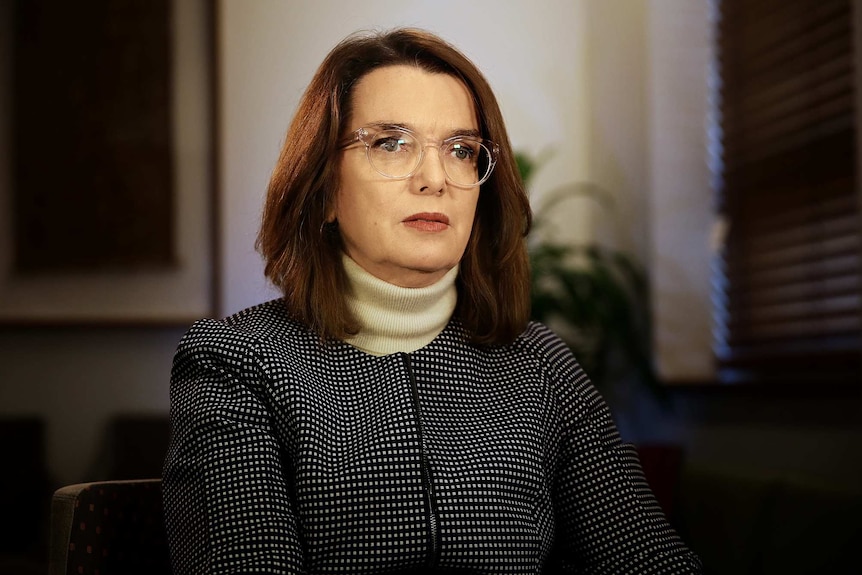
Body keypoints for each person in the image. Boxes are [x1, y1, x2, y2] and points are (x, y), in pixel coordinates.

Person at [163, 27, 702, 574]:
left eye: (462, 150)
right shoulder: (233, 361)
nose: (435, 178)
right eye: (390, 143)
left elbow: (650, 560)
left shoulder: (542, 366)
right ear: (325, 189)